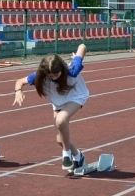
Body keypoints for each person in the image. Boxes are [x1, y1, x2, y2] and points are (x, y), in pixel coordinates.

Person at [13, 44, 90, 172]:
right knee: (60, 139)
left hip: (76, 96)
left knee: (61, 120)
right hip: (58, 103)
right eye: (51, 76)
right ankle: (78, 156)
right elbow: (20, 81)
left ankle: (66, 155)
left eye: (56, 75)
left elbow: (82, 46)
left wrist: (77, 56)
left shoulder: (72, 70)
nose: (54, 78)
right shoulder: (40, 75)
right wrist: (18, 91)